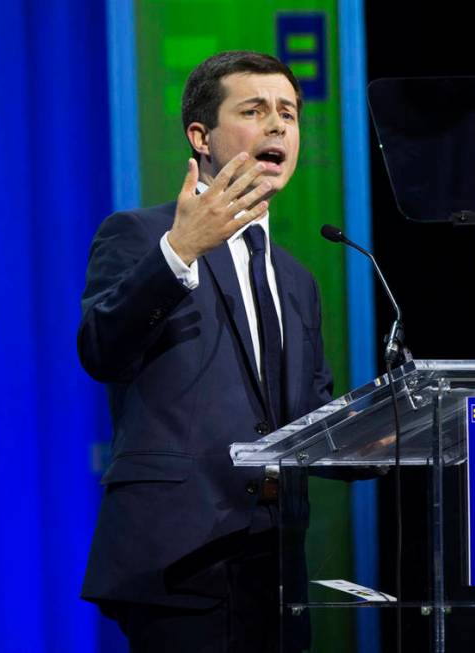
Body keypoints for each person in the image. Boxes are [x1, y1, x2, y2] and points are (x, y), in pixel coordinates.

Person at [77, 50, 332, 652]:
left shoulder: (298, 279)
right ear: (202, 136)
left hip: (275, 566)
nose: (277, 126)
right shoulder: (140, 234)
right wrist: (180, 250)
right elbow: (101, 349)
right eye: (255, 110)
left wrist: (393, 429)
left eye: (289, 114)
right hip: (178, 559)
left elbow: (312, 415)